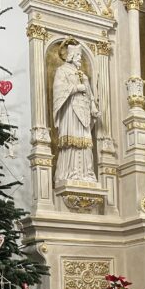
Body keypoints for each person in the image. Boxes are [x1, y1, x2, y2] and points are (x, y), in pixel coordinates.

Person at [52, 39, 98, 184]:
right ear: (71, 56)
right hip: (70, 111)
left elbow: (89, 93)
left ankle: (86, 173)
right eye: (78, 56)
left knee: (85, 142)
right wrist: (76, 88)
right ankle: (70, 173)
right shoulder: (62, 71)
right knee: (72, 140)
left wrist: (93, 106)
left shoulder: (83, 75)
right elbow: (58, 90)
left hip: (83, 113)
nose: (80, 59)